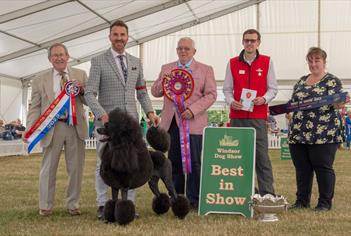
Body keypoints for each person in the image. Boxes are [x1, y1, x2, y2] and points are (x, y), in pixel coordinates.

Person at [84, 20, 159, 219]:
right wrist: (102, 114)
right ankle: (103, 205)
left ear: (127, 37)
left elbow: (142, 92)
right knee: (104, 164)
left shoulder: (136, 62)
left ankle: (129, 205)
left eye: (122, 35)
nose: (119, 38)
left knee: (132, 164)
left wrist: (150, 113)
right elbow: (90, 93)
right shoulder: (98, 61)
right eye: (115, 35)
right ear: (110, 37)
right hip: (108, 125)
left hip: (131, 125)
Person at [151, 37, 217, 209]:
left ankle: (194, 200)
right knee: (172, 163)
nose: (183, 51)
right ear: (176, 50)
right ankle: (176, 198)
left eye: (187, 48)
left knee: (194, 163)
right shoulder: (167, 68)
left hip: (193, 123)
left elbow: (211, 95)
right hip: (170, 124)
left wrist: (193, 110)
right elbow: (155, 92)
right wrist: (162, 81)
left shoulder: (205, 70)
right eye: (180, 48)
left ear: (194, 51)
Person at [26, 43, 88, 216]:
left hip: (75, 127)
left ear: (68, 56)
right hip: (51, 128)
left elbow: (89, 101)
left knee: (76, 168)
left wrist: (82, 90)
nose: (59, 58)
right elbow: (35, 108)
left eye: (62, 54)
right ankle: (45, 206)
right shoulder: (39, 79)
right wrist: (30, 128)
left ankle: (73, 205)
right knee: (48, 168)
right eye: (55, 55)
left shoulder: (81, 75)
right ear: (49, 59)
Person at [288, 47, 349, 211]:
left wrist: (340, 102)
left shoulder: (332, 81)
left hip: (324, 132)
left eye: (317, 60)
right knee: (302, 168)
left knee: (323, 167)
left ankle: (324, 203)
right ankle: (301, 201)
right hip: (299, 132)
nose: (313, 64)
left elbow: (337, 103)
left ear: (324, 61)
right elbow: (292, 104)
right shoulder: (301, 81)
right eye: (310, 60)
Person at [223, 29, 278, 196]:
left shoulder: (267, 62)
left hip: (258, 117)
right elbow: (226, 90)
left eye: (253, 41)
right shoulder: (232, 63)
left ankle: (267, 194)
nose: (249, 43)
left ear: (258, 43)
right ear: (242, 42)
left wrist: (264, 99)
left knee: (262, 158)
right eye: (247, 40)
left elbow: (273, 89)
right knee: (237, 157)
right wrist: (232, 101)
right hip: (237, 118)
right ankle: (239, 192)